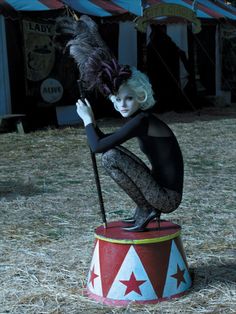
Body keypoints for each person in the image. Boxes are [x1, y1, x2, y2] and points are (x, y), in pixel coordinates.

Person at [76, 67, 184, 232]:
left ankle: (146, 208)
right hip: (158, 189)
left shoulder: (142, 121)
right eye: (118, 99)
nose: (122, 105)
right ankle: (144, 208)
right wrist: (91, 119)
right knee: (110, 153)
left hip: (167, 198)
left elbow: (97, 146)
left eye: (129, 98)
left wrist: (87, 121)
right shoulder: (141, 119)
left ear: (141, 96)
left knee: (109, 156)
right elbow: (103, 141)